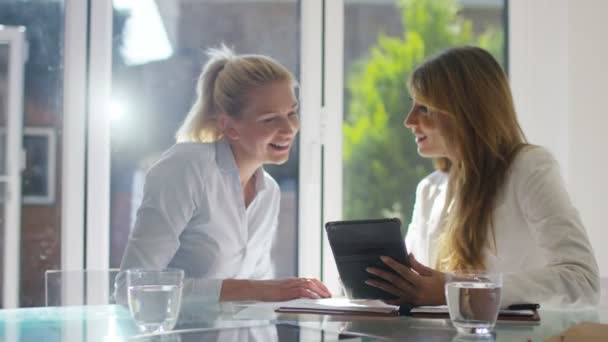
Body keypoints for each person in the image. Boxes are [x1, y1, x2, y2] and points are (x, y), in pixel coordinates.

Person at [364, 46, 599, 308]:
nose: (409, 121)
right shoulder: (429, 189)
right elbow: (413, 284)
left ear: (465, 112)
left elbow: (583, 281)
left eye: (425, 109)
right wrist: (361, 279)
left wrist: (458, 291)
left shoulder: (529, 168)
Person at [117, 46, 331, 304]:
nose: (289, 128)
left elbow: (257, 294)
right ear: (229, 127)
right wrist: (257, 290)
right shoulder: (186, 168)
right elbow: (132, 288)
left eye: (292, 113)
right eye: (270, 119)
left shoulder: (269, 191)